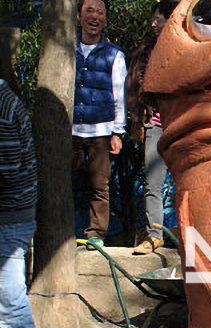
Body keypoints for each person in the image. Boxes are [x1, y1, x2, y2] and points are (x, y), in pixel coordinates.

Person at [0, 78, 53, 328]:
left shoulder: (2, 110)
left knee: (11, 307)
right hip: (12, 217)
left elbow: (6, 169)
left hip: (9, 219)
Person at [73, 0, 126, 250]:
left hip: (101, 131)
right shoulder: (66, 50)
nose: (94, 17)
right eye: (89, 11)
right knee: (62, 183)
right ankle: (60, 232)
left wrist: (117, 132)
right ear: (78, 17)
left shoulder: (114, 55)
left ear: (105, 19)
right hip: (70, 130)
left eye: (100, 12)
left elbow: (119, 95)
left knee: (99, 186)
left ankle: (96, 234)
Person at [126, 0, 178, 255]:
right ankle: (155, 235)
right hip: (156, 125)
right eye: (154, 19)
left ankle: (192, 237)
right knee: (152, 183)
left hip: (181, 124)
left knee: (188, 182)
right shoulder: (147, 50)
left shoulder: (188, 47)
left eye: (159, 19)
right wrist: (139, 115)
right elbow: (136, 83)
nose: (153, 24)